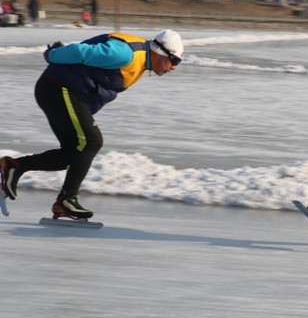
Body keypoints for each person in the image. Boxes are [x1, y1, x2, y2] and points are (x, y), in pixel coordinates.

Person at [0, 30, 185, 220]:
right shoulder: (125, 54)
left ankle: (14, 166)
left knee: (74, 153)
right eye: (174, 60)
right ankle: (67, 200)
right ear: (160, 52)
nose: (174, 67)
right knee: (91, 141)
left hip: (64, 92)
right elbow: (80, 51)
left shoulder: (143, 61)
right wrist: (52, 56)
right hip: (58, 88)